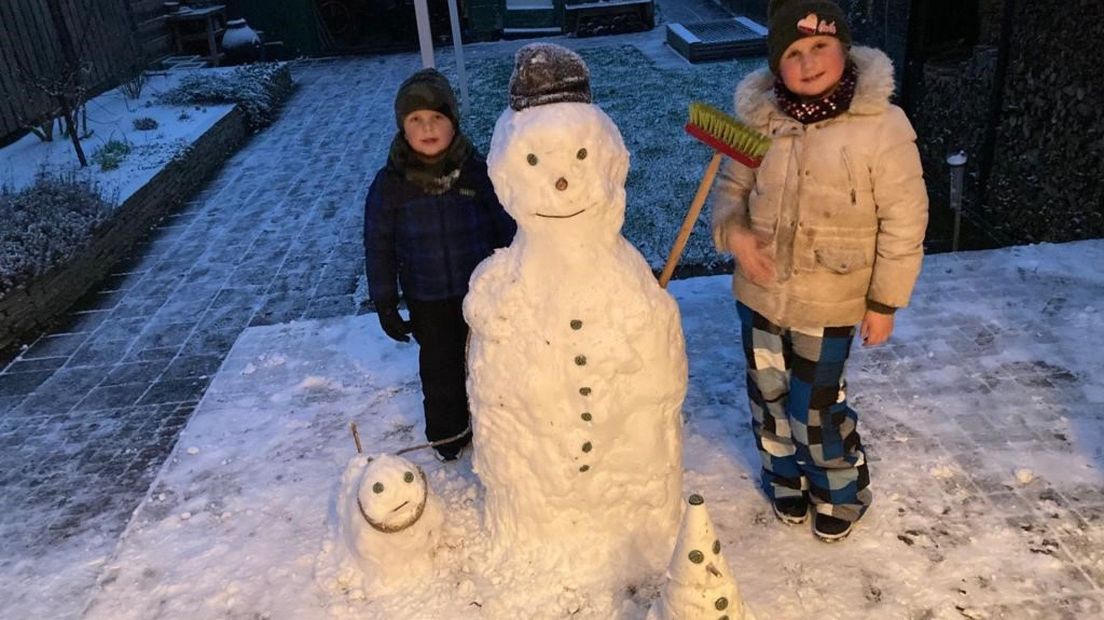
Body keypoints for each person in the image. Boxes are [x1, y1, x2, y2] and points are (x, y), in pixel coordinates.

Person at [710, 0, 928, 541]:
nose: (808, 63)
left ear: (844, 49)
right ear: (775, 65)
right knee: (767, 395)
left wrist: (884, 302)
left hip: (832, 297)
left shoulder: (882, 125)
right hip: (760, 292)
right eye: (794, 53)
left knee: (815, 406)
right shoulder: (757, 119)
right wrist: (735, 234)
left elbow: (905, 219)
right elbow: (729, 192)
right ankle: (784, 477)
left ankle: (839, 487)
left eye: (820, 47)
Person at [364, 69, 516, 461]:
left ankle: (495, 430)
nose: (427, 127)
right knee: (439, 368)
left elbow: (505, 225)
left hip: (480, 293)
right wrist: (385, 301)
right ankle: (448, 435)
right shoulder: (391, 183)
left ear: (453, 122)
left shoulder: (476, 171)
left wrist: (515, 273)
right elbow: (378, 245)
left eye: (437, 118)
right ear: (403, 127)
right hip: (426, 297)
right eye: (416, 120)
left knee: (488, 364)